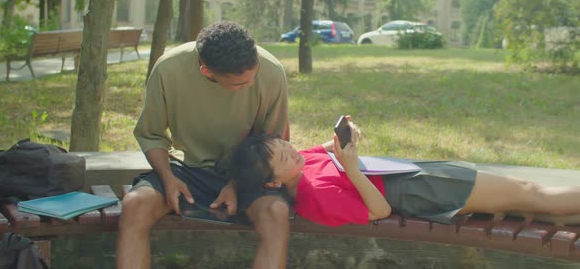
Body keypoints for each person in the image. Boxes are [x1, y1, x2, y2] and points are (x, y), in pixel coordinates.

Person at [117, 21, 290, 269]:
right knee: (134, 206)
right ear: (207, 71)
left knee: (276, 213)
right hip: (186, 170)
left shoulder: (272, 72)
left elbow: (269, 145)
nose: (250, 85)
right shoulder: (168, 69)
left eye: (254, 74)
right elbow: (151, 134)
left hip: (247, 171)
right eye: (240, 84)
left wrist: (235, 184)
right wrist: (167, 178)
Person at [230, 116, 580, 227]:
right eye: (283, 156)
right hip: (414, 191)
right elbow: (379, 211)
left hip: (410, 173)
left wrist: (348, 136)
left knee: (524, 197)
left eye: (284, 144)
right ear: (273, 181)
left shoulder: (302, 161)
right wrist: (352, 170)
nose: (292, 151)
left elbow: (327, 148)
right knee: (531, 195)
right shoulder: (311, 198)